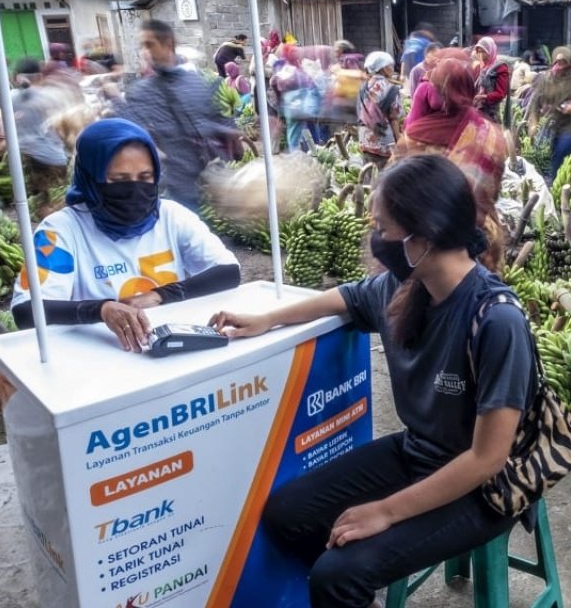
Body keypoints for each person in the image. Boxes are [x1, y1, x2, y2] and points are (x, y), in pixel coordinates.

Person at [210, 155, 539, 608]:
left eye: (383, 228)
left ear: (422, 235)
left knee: (337, 576)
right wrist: (266, 318)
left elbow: (487, 458)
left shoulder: (497, 320)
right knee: (287, 515)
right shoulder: (405, 288)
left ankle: (347, 588)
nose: (376, 239)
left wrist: (385, 512)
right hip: (418, 452)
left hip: (481, 487)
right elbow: (343, 298)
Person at [11, 119, 240, 341]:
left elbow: (228, 272)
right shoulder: (61, 231)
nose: (133, 189)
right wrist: (101, 310)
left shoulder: (171, 216)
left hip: (170, 346)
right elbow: (26, 311)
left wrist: (161, 295)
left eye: (145, 177)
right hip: (97, 359)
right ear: (91, 179)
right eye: (119, 179)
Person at [399, 51, 512, 270]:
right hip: (479, 243)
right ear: (470, 88)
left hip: (424, 246)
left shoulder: (413, 137)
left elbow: (392, 193)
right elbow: (493, 190)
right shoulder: (490, 133)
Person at [118, 20, 235, 208]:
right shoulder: (141, 92)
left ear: (169, 44)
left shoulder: (193, 81)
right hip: (172, 191)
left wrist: (226, 131)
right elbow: (127, 132)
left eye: (149, 45)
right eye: (142, 46)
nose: (144, 53)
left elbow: (209, 119)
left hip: (209, 182)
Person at [10, 60, 72, 220]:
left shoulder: (12, 97)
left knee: (41, 201)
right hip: (52, 157)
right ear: (40, 76)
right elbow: (66, 127)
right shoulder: (51, 96)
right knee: (59, 203)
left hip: (26, 155)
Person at [528, 47, 571, 180]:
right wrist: (533, 124)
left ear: (569, 64)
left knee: (562, 152)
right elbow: (535, 104)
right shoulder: (545, 80)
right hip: (547, 126)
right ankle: (547, 185)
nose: (559, 66)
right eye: (557, 62)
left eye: (563, 63)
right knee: (544, 160)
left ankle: (556, 186)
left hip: (566, 125)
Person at [357, 52, 402, 170]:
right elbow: (394, 118)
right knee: (384, 178)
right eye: (390, 65)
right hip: (384, 142)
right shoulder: (391, 88)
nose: (393, 68)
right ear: (383, 68)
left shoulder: (364, 86)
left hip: (365, 139)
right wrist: (399, 141)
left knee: (368, 175)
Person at [472, 37, 511, 124]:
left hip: (491, 113)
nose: (480, 54)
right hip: (477, 110)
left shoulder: (500, 68)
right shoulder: (479, 67)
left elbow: (500, 93)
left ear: (490, 51)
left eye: (483, 51)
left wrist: (483, 97)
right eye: (478, 51)